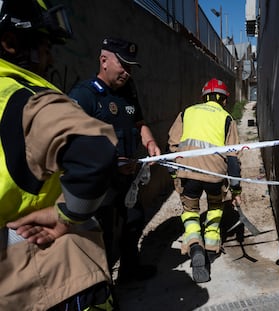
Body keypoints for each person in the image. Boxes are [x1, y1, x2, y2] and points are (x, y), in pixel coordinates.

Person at [0, 0, 120, 310]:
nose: (51, 57)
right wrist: (66, 215)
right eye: (45, 45)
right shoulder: (26, 100)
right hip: (49, 277)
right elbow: (94, 151)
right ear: (10, 42)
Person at [68, 37, 161, 285]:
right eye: (124, 65)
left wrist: (150, 143)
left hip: (127, 181)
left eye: (131, 67)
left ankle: (130, 270)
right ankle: (103, 287)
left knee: (133, 221)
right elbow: (71, 143)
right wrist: (110, 163)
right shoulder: (85, 95)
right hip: (101, 185)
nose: (127, 73)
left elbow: (139, 124)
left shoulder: (128, 93)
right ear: (104, 60)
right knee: (103, 235)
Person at [168, 78, 242, 283]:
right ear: (224, 100)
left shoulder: (187, 112)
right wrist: (236, 189)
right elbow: (233, 157)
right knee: (215, 206)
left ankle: (194, 245)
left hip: (188, 173)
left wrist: (175, 175)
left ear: (204, 97)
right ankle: (211, 246)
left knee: (190, 211)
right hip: (215, 176)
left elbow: (172, 146)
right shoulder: (227, 118)